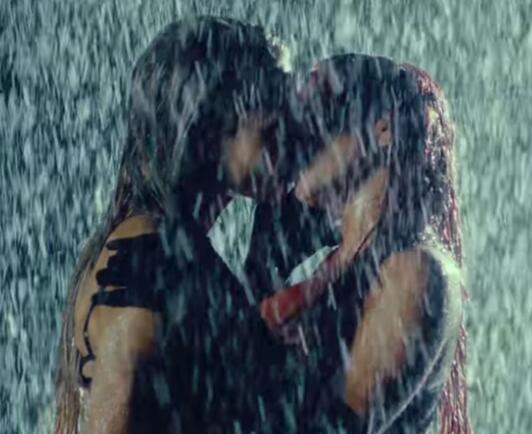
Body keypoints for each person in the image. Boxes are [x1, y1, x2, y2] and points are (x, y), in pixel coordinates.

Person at [54, 16, 330, 434]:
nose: (295, 133)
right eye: (274, 112)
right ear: (209, 125)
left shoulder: (163, 250)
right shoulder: (149, 261)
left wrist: (266, 267)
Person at [255, 54, 471, 433]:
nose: (296, 147)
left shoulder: (413, 271)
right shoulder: (343, 261)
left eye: (316, 124)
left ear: (383, 130)